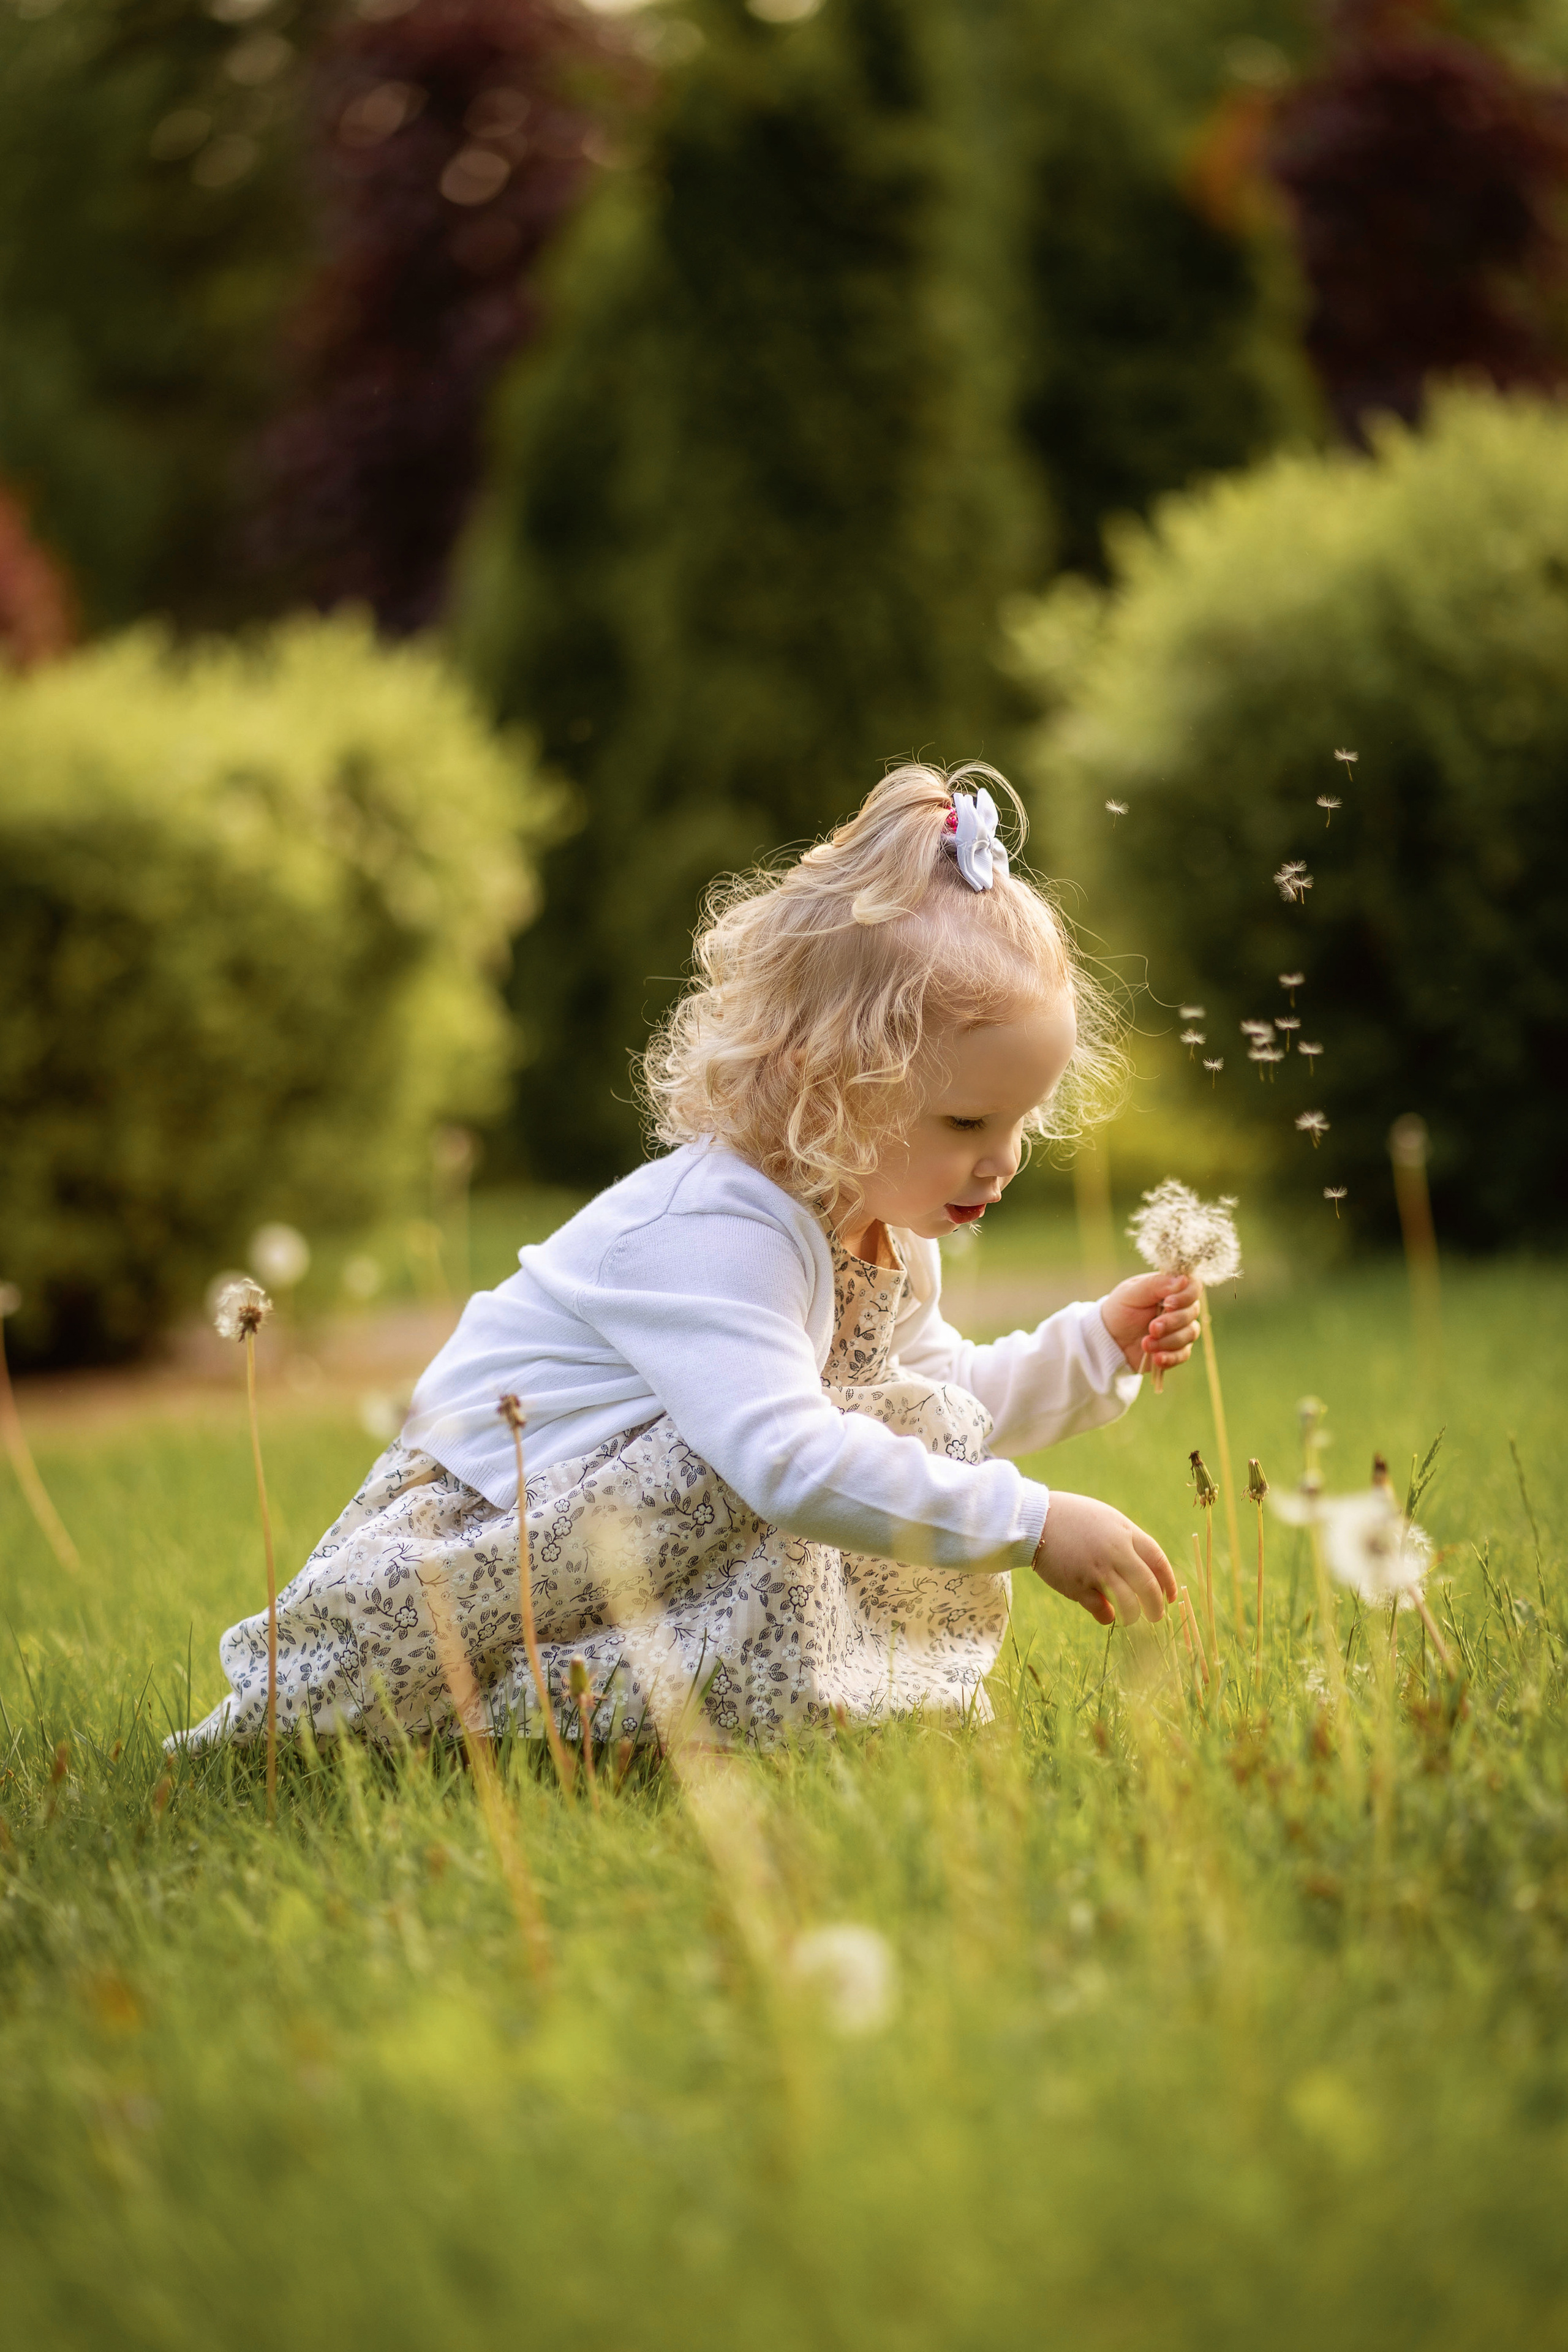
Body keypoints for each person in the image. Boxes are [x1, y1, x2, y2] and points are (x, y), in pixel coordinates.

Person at [180, 764, 1196, 1755]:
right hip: (498, 1536)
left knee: (852, 1429)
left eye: (1022, 1118)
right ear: (827, 1083)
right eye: (968, 1118)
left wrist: (1095, 1346)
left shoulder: (880, 1227)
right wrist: (1031, 1521)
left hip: (633, 1528)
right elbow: (789, 1467)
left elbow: (937, 1406)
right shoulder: (722, 1233)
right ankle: (534, 1711)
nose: (1005, 1157)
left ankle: (695, 1716)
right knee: (784, 1459)